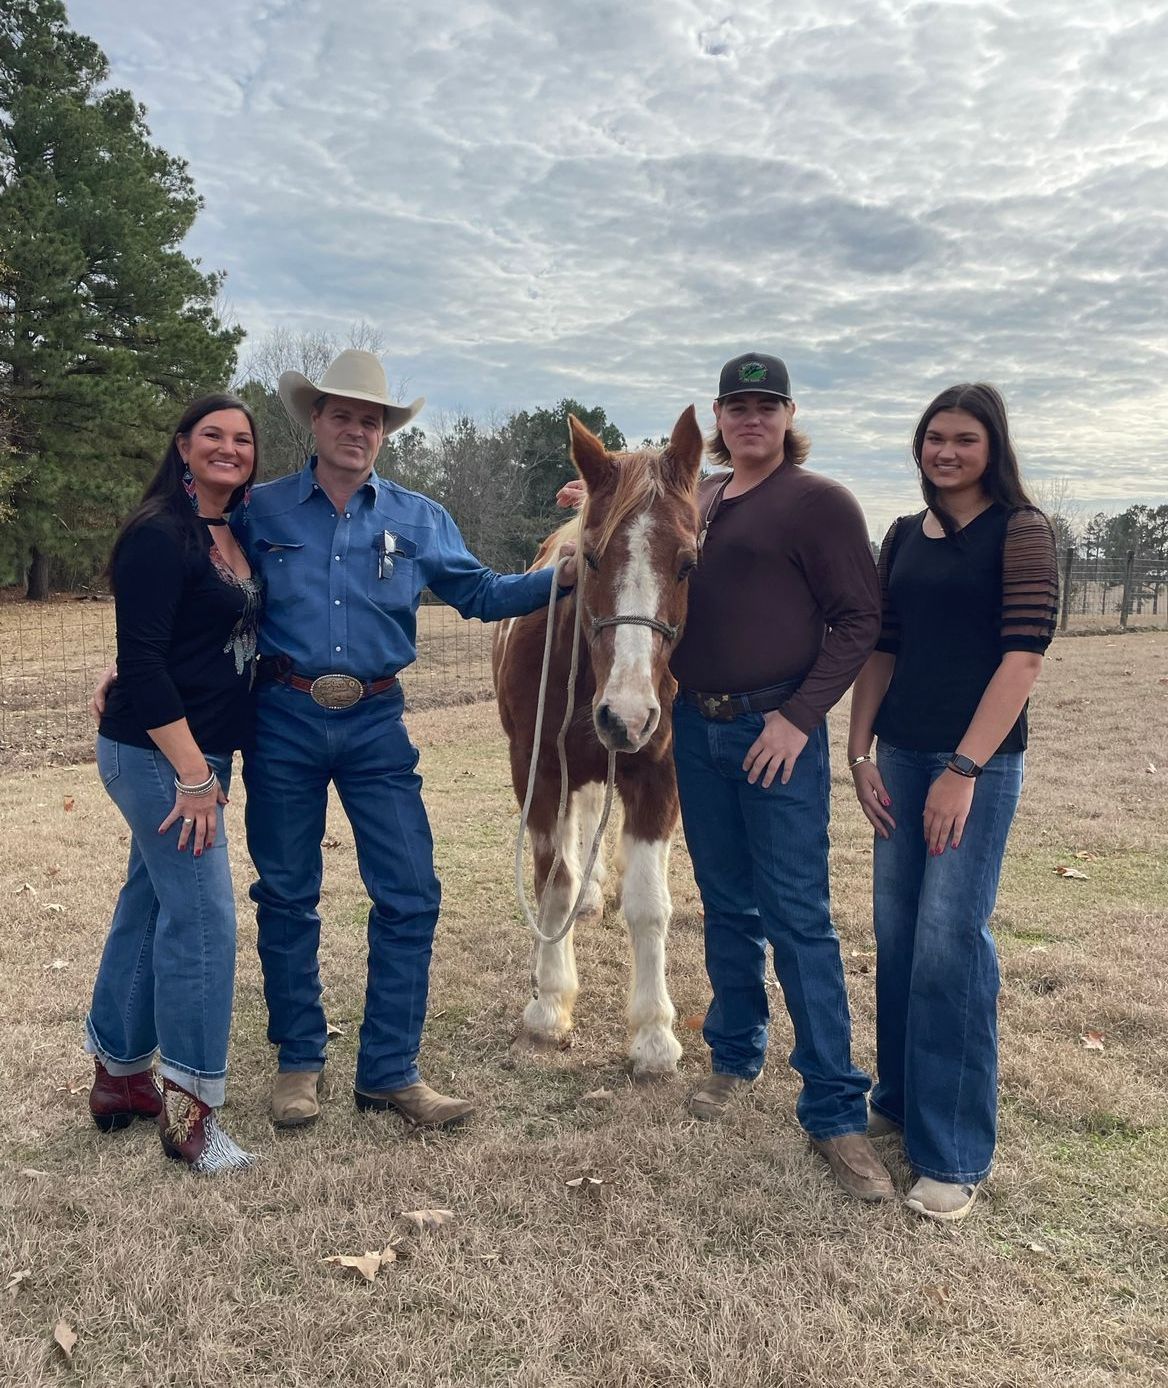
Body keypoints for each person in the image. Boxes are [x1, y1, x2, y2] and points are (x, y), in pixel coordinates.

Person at [560, 352, 892, 1203]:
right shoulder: (699, 497)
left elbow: (860, 621)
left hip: (774, 726)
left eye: (765, 406)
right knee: (726, 905)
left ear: (787, 415)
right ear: (716, 416)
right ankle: (735, 1055)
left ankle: (834, 1111)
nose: (750, 420)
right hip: (695, 729)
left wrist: (799, 717)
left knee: (799, 917)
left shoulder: (820, 504)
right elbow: (642, 549)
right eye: (736, 407)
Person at [234, 350, 575, 1130]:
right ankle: (298, 1061)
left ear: (385, 432)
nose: (358, 430)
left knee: (411, 893)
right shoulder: (261, 511)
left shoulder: (418, 518)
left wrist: (558, 577)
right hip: (282, 716)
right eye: (343, 415)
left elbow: (482, 593)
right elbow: (204, 586)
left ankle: (389, 1070)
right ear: (315, 421)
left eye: (372, 419)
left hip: (376, 722)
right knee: (287, 893)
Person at [847, 383, 1058, 1222]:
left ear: (993, 448)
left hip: (974, 766)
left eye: (964, 439)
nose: (946, 452)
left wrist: (963, 770)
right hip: (897, 758)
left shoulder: (1023, 534)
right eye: (935, 437)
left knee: (949, 943)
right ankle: (897, 1099)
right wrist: (859, 751)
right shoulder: (902, 536)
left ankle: (954, 1153)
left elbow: (1023, 659)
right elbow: (880, 648)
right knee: (897, 936)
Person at [86, 395, 261, 1175]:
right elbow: (147, 662)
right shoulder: (161, 533)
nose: (229, 448)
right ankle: (192, 1116)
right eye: (213, 436)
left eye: (243, 439)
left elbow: (172, 643)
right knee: (202, 920)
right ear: (183, 446)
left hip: (196, 753)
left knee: (152, 900)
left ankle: (120, 1078)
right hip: (162, 755)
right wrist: (194, 776)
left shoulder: (235, 529)